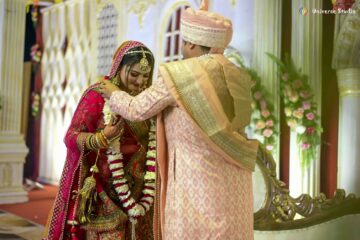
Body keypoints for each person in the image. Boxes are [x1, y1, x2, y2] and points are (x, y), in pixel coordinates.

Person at [99, 1, 259, 239]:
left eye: (184, 41)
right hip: (234, 183)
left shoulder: (180, 75)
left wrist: (112, 92)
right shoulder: (237, 75)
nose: (184, 46)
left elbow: (137, 108)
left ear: (192, 42)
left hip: (195, 181)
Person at [44, 40, 156, 240]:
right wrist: (102, 138)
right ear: (119, 68)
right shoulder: (98, 95)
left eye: (146, 76)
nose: (140, 82)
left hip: (139, 191)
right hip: (102, 189)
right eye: (134, 74)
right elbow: (71, 137)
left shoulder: (146, 100)